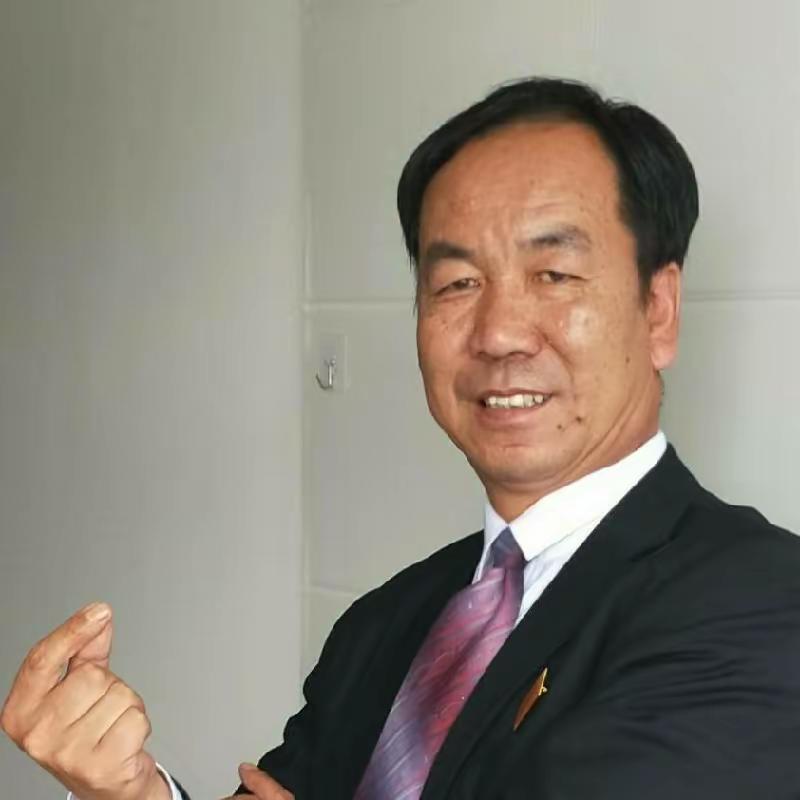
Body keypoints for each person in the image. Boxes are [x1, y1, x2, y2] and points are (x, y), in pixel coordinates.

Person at [3, 77, 800, 800]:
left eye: (553, 275)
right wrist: (133, 794)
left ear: (658, 310)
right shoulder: (387, 624)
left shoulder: (760, 601)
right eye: (457, 283)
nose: (499, 332)